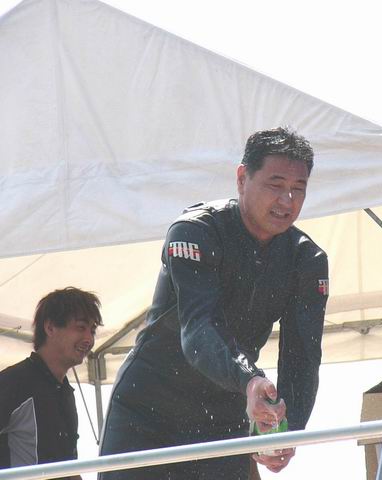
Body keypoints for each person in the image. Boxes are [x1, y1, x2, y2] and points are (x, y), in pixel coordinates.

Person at [99, 127, 329, 479]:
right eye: (275, 184)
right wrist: (250, 379)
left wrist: (286, 430)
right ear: (242, 178)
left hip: (223, 417)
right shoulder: (195, 231)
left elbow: (303, 356)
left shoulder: (307, 259)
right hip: (147, 412)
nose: (287, 200)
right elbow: (199, 329)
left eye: (298, 188)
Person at [0, 287, 102, 480]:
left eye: (93, 330)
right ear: (50, 328)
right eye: (81, 328)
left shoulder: (65, 391)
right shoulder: (15, 382)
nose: (89, 339)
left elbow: (68, 467)